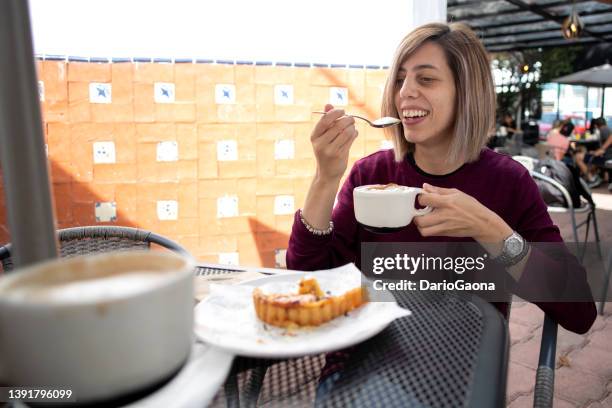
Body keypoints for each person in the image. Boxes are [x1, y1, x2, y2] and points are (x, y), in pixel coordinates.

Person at [287, 22, 595, 335]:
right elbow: (308, 281)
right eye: (399, 79)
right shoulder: (371, 175)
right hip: (366, 357)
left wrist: (491, 231)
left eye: (426, 78)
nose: (404, 92)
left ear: (466, 93)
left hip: (462, 369)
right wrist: (325, 178)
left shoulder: (508, 181)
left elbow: (580, 311)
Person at [575, 117, 611, 189]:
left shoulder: (603, 129)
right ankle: (594, 177)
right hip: (606, 155)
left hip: (607, 157)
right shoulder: (607, 129)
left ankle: (592, 179)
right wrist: (597, 151)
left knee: (578, 157)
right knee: (590, 157)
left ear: (596, 125)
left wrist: (601, 149)